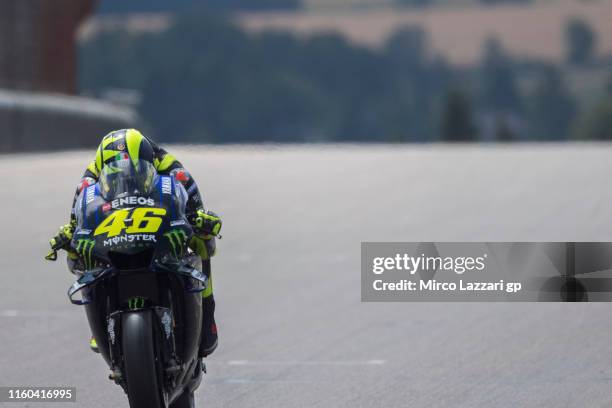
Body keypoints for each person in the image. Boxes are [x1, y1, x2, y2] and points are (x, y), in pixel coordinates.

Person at [46, 129, 221, 358]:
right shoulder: (88, 180)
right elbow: (78, 222)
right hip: (118, 230)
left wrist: (202, 222)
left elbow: (195, 210)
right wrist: (69, 238)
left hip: (157, 223)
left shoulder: (172, 168)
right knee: (81, 254)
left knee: (200, 243)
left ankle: (207, 316)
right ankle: (99, 315)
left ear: (150, 161)